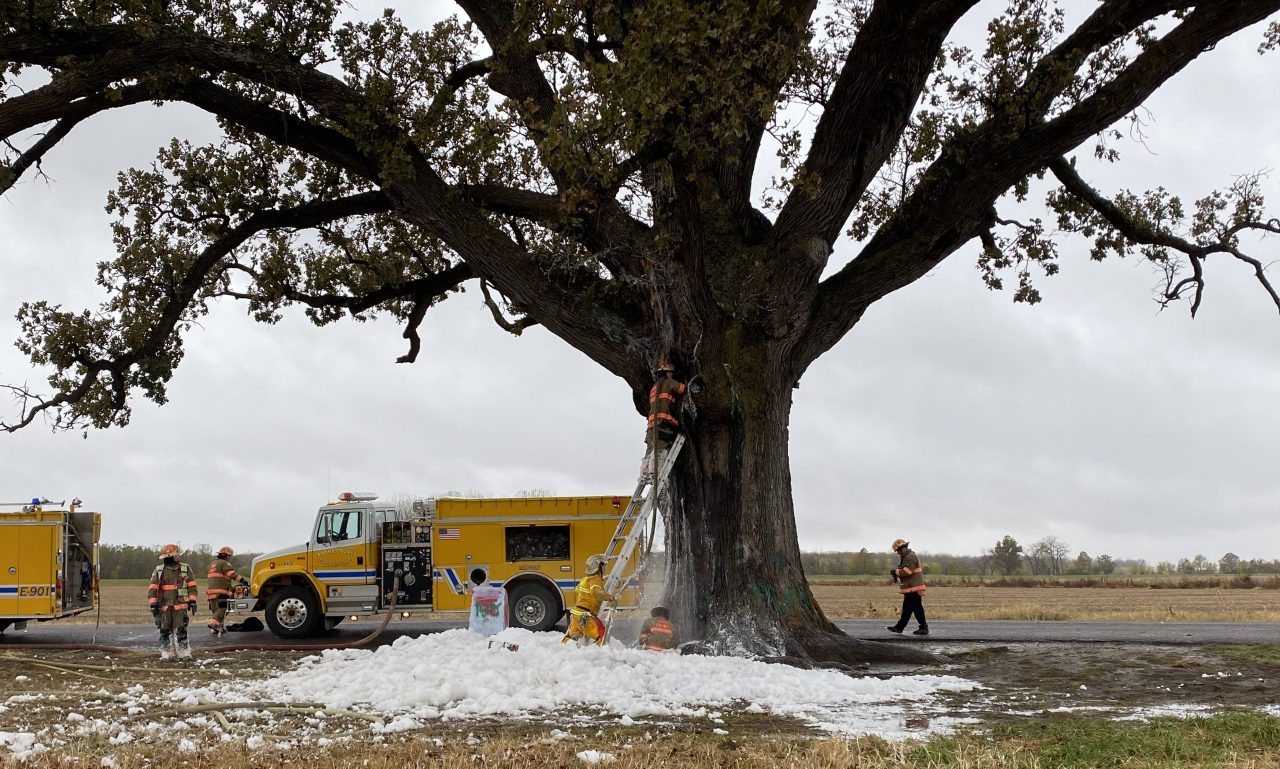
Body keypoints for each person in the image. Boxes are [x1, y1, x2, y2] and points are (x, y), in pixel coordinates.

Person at [148, 544, 199, 659]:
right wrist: (153, 603)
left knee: (181, 630)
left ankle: (184, 652)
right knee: (164, 631)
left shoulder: (185, 569)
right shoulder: (159, 570)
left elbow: (192, 586)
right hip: (164, 606)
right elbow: (153, 587)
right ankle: (167, 653)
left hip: (180, 605)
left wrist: (192, 601)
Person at [642, 361, 687, 477]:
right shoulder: (668, 382)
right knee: (660, 447)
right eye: (671, 373)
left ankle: (646, 468)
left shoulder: (654, 387)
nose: (671, 375)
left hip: (651, 424)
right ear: (667, 373)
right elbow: (682, 389)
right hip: (662, 422)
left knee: (652, 448)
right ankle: (655, 469)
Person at [562, 553, 614, 646]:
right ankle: (597, 657)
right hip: (586, 616)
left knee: (570, 637)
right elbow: (595, 591)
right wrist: (609, 597)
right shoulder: (595, 579)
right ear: (598, 567)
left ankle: (562, 652)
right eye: (603, 566)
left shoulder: (584, 580)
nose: (604, 568)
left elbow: (577, 589)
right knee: (601, 637)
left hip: (576, 614)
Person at [887, 538, 928, 636]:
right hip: (911, 588)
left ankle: (923, 627)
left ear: (903, 548)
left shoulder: (909, 557)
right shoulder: (907, 556)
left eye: (898, 550)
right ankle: (899, 627)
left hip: (913, 588)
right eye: (897, 551)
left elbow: (907, 572)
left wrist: (895, 572)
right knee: (907, 609)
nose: (898, 552)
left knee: (917, 609)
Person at [206, 546, 250, 637]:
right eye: (229, 556)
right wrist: (242, 580)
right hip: (221, 591)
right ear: (226, 556)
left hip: (211, 591)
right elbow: (231, 574)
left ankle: (218, 628)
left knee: (215, 609)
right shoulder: (225, 563)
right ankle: (215, 624)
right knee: (222, 608)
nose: (229, 558)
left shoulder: (213, 563)